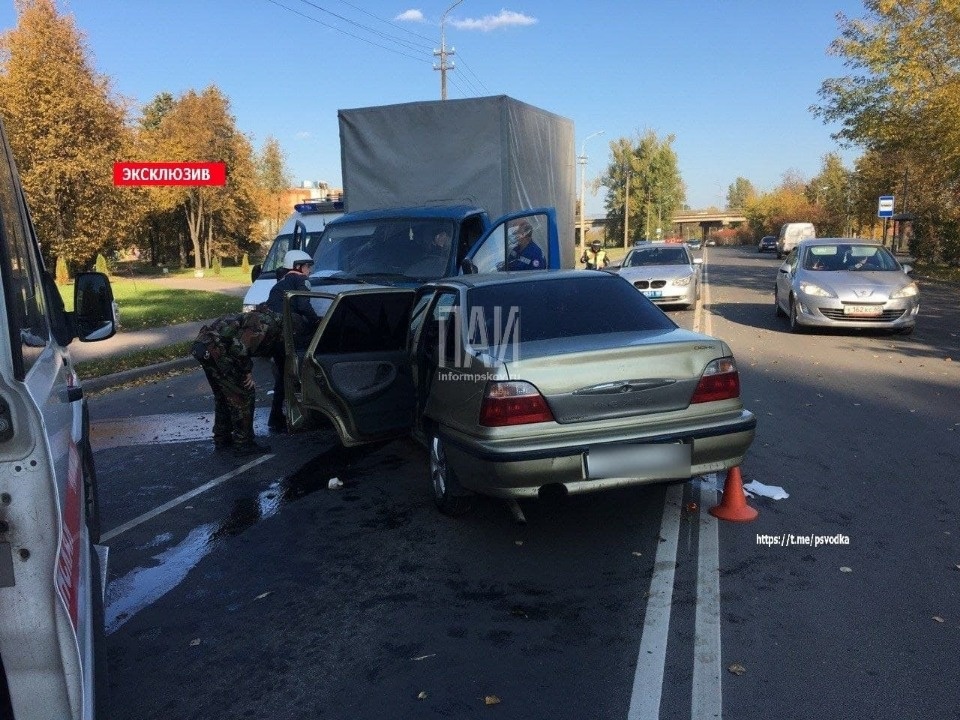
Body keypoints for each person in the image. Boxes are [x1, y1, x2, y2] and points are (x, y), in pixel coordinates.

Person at [191, 306, 284, 456]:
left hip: (203, 347)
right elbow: (239, 348)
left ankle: (222, 438)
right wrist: (246, 371)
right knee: (243, 396)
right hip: (217, 351)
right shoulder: (264, 325)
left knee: (223, 396)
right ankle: (244, 443)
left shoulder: (253, 317)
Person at [265, 249, 321, 431]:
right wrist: (317, 321)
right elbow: (304, 305)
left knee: (282, 376)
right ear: (298, 266)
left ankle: (276, 416)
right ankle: (306, 414)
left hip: (274, 336)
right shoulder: (300, 280)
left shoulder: (280, 284)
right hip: (289, 336)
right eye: (307, 267)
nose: (309, 271)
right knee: (304, 371)